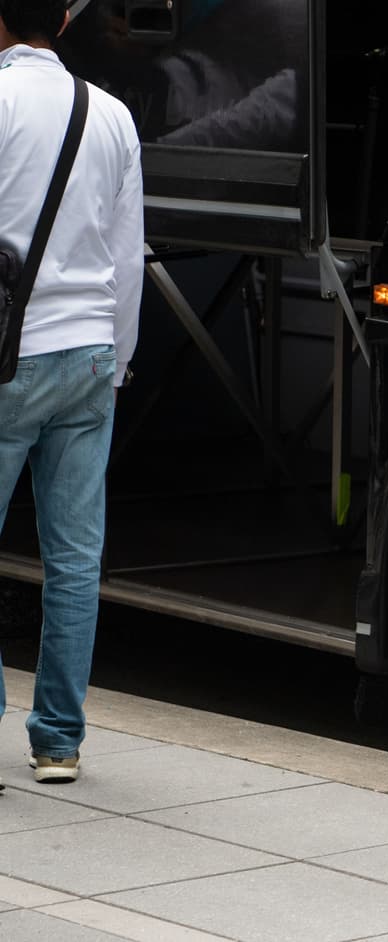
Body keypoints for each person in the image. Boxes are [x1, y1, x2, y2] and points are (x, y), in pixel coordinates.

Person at [0, 0, 143, 787]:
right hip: (89, 352)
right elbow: (128, 249)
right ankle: (59, 738)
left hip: (6, 356)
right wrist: (116, 362)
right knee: (75, 557)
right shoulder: (111, 113)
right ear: (59, 18)